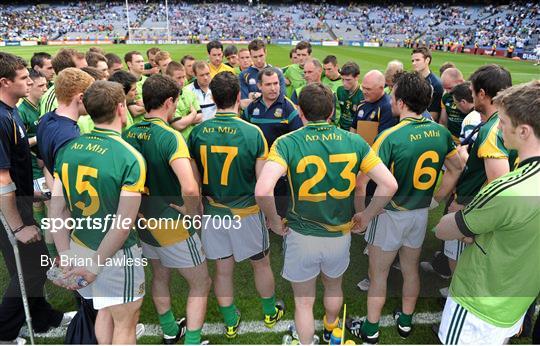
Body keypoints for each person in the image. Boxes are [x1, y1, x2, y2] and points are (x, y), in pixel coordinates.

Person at [256, 82, 397, 344]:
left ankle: (307, 341)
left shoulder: (287, 142)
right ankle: (332, 328)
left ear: (300, 112)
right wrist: (365, 216)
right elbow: (389, 184)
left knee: (304, 302)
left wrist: (274, 221)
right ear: (332, 111)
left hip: (302, 234)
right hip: (339, 234)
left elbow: (263, 189)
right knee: (333, 286)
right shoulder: (354, 140)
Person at [347, 71, 463, 343]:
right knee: (410, 268)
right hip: (419, 212)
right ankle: (406, 322)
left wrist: (364, 213)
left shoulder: (390, 136)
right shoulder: (441, 132)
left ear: (400, 102)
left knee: (379, 273)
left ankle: (370, 329)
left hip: (390, 214)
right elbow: (455, 167)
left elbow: (363, 181)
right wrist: (436, 198)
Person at [434, 80, 540, 345]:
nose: (499, 127)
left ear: (524, 131)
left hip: (477, 302)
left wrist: (469, 229)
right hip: (516, 300)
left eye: (503, 122)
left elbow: (444, 228)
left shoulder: (508, 188)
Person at [188, 72, 284, 339]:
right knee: (261, 265)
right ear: (239, 97)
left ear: (213, 97)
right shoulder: (253, 133)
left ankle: (230, 321)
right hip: (247, 214)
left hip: (214, 212)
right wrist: (270, 216)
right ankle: (269, 312)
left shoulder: (197, 133)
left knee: (222, 269)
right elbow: (263, 185)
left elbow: (195, 182)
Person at [50, 80, 146, 344]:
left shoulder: (70, 148)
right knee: (126, 323)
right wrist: (95, 264)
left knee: (104, 310)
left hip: (80, 244)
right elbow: (123, 223)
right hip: (113, 253)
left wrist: (65, 253)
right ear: (120, 108)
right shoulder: (129, 156)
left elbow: (56, 209)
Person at [124, 74, 211, 345]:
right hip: (171, 222)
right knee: (201, 282)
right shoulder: (171, 137)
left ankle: (170, 330)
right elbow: (189, 187)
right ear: (169, 102)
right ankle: (192, 341)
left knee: (160, 274)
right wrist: (193, 210)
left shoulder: (128, 133)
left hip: (143, 220)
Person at [0, 52, 72, 344]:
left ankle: (43, 317)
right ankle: (4, 332)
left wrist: (33, 194)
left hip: (19, 202)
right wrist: (18, 226)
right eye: (23, 79)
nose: (31, 82)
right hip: (8, 211)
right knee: (29, 269)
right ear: (4, 82)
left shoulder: (12, 110)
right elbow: (2, 181)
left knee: (36, 265)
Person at [443, 64, 513, 274]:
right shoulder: (511, 121)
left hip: (471, 207)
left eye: (472, 92)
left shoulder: (493, 130)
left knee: (462, 265)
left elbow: (500, 185)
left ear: (482, 94)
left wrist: (469, 218)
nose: (471, 96)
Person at [17, 69, 48, 228]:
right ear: (30, 86)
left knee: (48, 204)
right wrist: (40, 137)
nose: (45, 89)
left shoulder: (43, 105)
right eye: (40, 85)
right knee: (43, 204)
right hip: (34, 167)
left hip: (45, 164)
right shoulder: (21, 111)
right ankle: (48, 244)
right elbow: (18, 143)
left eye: (46, 85)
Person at [239, 39, 286, 109]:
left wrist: (255, 95)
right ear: (250, 55)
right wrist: (269, 97)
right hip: (252, 117)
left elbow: (282, 100)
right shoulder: (244, 75)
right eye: (255, 57)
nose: (258, 60)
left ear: (265, 53)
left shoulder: (277, 73)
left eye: (261, 56)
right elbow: (243, 104)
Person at [40, 48, 87, 117]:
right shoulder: (53, 98)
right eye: (82, 70)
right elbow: (49, 126)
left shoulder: (87, 90)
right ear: (67, 72)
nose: (88, 73)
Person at [165, 61, 202, 139]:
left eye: (183, 77)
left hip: (193, 140)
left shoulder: (189, 93)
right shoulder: (167, 97)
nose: (182, 81)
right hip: (177, 141)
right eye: (178, 78)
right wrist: (193, 113)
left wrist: (185, 119)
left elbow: (200, 117)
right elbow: (178, 125)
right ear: (168, 77)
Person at [411, 47, 443, 121]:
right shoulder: (412, 79)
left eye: (417, 60)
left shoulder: (435, 84)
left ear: (427, 60)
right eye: (412, 60)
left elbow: (433, 114)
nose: (414, 63)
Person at [439, 68, 466, 143]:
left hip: (468, 141)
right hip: (451, 140)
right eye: (445, 88)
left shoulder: (472, 96)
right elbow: (443, 121)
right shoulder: (446, 97)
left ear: (461, 82)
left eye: (450, 88)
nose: (448, 91)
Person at [336, 62, 364, 130]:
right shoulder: (339, 90)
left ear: (357, 77)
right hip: (340, 129)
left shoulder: (363, 94)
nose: (344, 83)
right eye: (342, 79)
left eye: (348, 80)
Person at [124, 51, 147, 122]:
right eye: (138, 62)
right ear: (129, 64)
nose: (142, 64)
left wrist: (144, 104)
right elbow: (135, 111)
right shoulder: (125, 82)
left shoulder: (148, 80)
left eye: (142, 61)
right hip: (135, 127)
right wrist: (156, 105)